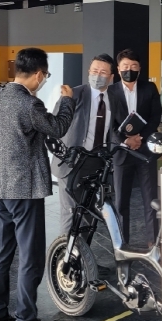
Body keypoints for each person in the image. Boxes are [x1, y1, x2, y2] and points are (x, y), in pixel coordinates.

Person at [0, 48, 75, 321]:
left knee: (1, 254)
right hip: (25, 191)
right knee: (30, 257)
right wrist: (67, 101)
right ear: (38, 74)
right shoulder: (29, 105)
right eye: (45, 76)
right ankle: (26, 320)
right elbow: (57, 127)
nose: (43, 80)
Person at [51, 53, 119, 236]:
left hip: (96, 163)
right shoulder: (74, 94)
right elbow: (55, 125)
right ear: (88, 72)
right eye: (94, 70)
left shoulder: (114, 98)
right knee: (70, 212)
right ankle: (66, 252)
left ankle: (83, 253)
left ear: (111, 77)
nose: (98, 75)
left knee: (89, 213)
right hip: (72, 161)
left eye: (103, 72)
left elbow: (113, 129)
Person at [110, 48, 162, 246]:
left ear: (139, 68)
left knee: (150, 199)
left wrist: (140, 137)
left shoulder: (149, 88)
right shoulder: (111, 92)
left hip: (145, 151)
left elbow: (155, 116)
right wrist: (125, 140)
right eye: (125, 66)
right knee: (121, 202)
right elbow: (109, 123)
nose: (129, 70)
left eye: (133, 66)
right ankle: (122, 242)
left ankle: (152, 242)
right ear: (118, 68)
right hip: (122, 153)